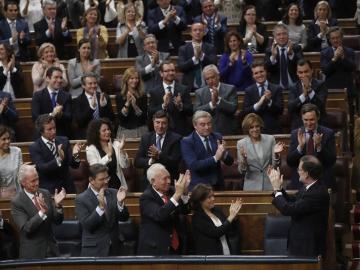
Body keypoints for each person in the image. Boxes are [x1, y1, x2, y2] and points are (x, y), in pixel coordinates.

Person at [268, 156, 329, 257]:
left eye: (299, 169)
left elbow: (288, 209)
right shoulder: (309, 187)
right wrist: (278, 187)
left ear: (307, 174)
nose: (297, 171)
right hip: (300, 245)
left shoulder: (317, 193)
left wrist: (276, 189)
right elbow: (293, 201)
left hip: (308, 249)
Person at [11, 164, 66, 259]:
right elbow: (27, 228)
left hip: (51, 250)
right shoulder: (17, 202)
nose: (37, 183)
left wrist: (57, 206)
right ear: (23, 183)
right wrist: (42, 212)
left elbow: (57, 221)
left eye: (37, 179)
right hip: (32, 253)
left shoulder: (45, 193)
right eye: (33, 181)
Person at [75, 163, 129, 256]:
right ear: (91, 180)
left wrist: (120, 203)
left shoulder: (114, 193)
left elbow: (124, 218)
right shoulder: (81, 199)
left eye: (107, 178)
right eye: (101, 179)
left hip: (116, 249)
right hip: (94, 250)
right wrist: (100, 208)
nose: (106, 181)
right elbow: (88, 225)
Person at [137, 164, 191, 255]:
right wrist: (177, 195)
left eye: (169, 177)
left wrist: (185, 193)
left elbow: (186, 210)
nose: (169, 181)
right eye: (165, 179)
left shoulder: (172, 191)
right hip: (155, 250)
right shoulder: (146, 197)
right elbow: (160, 215)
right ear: (153, 181)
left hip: (176, 247)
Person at [287, 103, 336, 189]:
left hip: (321, 181)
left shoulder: (328, 133)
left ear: (318, 118)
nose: (309, 123)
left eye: (312, 120)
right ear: (302, 119)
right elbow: (290, 162)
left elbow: (331, 161)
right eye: (306, 120)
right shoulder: (296, 134)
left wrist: (319, 147)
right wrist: (300, 147)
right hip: (300, 182)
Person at [181, 110, 234, 190]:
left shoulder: (217, 137)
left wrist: (223, 154)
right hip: (199, 188)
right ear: (195, 125)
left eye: (209, 124)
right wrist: (215, 158)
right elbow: (194, 165)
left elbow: (230, 162)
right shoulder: (187, 141)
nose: (207, 127)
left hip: (218, 185)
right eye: (203, 125)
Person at [29, 114, 81, 193]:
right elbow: (42, 168)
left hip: (68, 188)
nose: (54, 131)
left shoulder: (64, 141)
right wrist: (59, 159)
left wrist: (75, 155)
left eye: (54, 128)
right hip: (49, 191)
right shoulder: (35, 147)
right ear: (41, 131)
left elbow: (74, 165)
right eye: (49, 129)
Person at [135, 110, 182, 191]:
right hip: (149, 183)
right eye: (157, 122)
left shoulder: (176, 139)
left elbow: (175, 162)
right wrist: (151, 160)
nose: (160, 126)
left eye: (164, 123)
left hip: (169, 181)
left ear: (168, 124)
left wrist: (159, 155)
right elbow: (137, 162)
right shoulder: (146, 138)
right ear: (153, 122)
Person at [190, 183, 242, 255]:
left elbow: (229, 229)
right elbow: (217, 232)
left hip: (227, 253)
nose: (213, 199)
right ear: (200, 200)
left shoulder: (217, 210)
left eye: (213, 196)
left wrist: (234, 217)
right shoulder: (198, 218)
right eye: (209, 197)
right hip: (211, 259)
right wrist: (230, 217)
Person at [237, 113, 284, 190]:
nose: (255, 129)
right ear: (247, 129)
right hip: (251, 186)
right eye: (251, 127)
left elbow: (276, 166)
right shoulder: (241, 143)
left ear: (260, 126)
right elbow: (241, 171)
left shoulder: (270, 139)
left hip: (270, 184)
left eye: (257, 126)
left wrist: (276, 155)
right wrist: (244, 159)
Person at [148, 61, 193, 136]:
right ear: (161, 73)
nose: (171, 73)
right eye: (167, 71)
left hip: (181, 132)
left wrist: (180, 106)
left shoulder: (183, 89)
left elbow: (190, 111)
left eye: (172, 70)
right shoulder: (154, 91)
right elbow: (151, 112)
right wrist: (164, 105)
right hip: (162, 131)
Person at [86, 118, 129, 190]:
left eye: (108, 129)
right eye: (104, 130)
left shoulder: (116, 144)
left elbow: (125, 165)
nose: (108, 132)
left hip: (116, 184)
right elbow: (95, 169)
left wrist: (121, 150)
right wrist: (108, 155)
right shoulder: (91, 149)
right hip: (99, 186)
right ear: (96, 133)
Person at [194, 64, 238, 135]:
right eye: (207, 79)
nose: (210, 81)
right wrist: (211, 104)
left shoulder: (230, 89)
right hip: (207, 132)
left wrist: (218, 100)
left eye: (212, 77)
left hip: (227, 131)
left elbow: (233, 108)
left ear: (218, 76)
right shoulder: (199, 93)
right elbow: (196, 111)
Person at [243, 61, 283, 134]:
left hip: (273, 130)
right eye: (256, 73)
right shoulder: (249, 90)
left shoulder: (276, 88)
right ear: (253, 76)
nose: (259, 75)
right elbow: (246, 111)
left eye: (261, 71)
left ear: (266, 72)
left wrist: (269, 101)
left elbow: (280, 110)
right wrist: (258, 104)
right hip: (255, 131)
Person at [31, 67, 72, 138]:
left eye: (61, 78)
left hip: (61, 134)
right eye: (56, 77)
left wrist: (61, 114)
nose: (59, 80)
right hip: (43, 135)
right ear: (47, 78)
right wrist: (52, 114)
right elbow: (35, 117)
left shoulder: (67, 96)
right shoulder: (38, 95)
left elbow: (70, 117)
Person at [288, 59, 327, 130]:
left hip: (318, 125)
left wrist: (310, 91)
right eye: (300, 72)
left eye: (306, 71)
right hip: (299, 126)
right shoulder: (293, 87)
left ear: (312, 70)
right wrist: (303, 95)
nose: (304, 75)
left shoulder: (321, 85)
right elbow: (290, 108)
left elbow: (321, 105)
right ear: (297, 73)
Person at [73, 73, 114, 139]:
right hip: (86, 135)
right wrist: (91, 108)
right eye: (90, 83)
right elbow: (80, 122)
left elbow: (111, 119)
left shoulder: (104, 97)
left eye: (95, 83)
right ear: (83, 85)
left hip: (104, 134)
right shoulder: (78, 100)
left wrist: (104, 106)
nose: (93, 86)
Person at [177, 22, 217, 90]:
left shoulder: (210, 47)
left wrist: (202, 55)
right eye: (195, 30)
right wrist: (194, 58)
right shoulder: (183, 49)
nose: (198, 32)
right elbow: (181, 67)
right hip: (189, 87)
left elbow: (213, 65)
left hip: (207, 86)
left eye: (200, 30)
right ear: (191, 33)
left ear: (204, 33)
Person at [320, 27, 356, 100]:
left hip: (347, 85)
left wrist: (343, 58)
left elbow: (353, 68)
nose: (335, 40)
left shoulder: (350, 51)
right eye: (333, 38)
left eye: (337, 38)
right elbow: (325, 71)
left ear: (342, 38)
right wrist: (334, 59)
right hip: (331, 86)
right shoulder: (324, 53)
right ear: (329, 40)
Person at [264, 24, 303, 90]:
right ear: (274, 37)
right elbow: (267, 69)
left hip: (295, 86)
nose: (282, 37)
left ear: (288, 35)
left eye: (284, 34)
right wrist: (273, 57)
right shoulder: (269, 50)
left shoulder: (296, 48)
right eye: (278, 34)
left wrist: (291, 54)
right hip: (276, 88)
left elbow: (301, 65)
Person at [116, 67, 148, 138]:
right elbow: (121, 118)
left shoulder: (143, 95)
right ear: (126, 80)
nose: (135, 80)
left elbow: (144, 118)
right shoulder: (120, 96)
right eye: (132, 78)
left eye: (136, 78)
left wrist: (135, 106)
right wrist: (127, 103)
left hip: (141, 129)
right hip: (125, 131)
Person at [0, 125, 22, 198]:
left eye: (8, 138)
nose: (7, 141)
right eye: (4, 139)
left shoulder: (17, 151)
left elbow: (20, 173)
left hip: (16, 192)